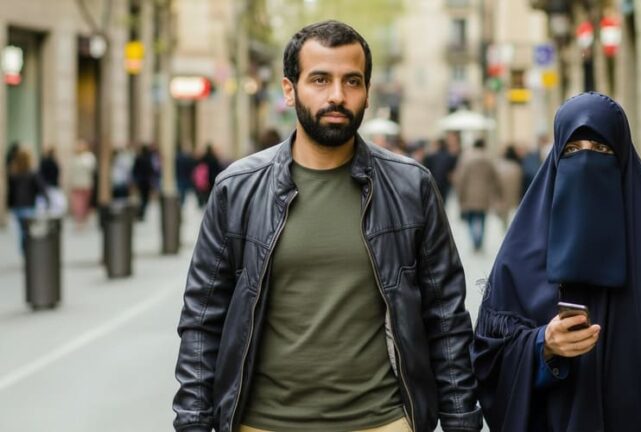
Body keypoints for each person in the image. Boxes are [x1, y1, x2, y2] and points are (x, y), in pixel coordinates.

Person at [173, 20, 481, 432]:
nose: (337, 95)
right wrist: (193, 423)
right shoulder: (238, 189)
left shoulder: (411, 187)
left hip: (383, 422)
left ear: (367, 93)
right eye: (320, 79)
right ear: (289, 89)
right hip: (264, 424)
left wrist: (461, 420)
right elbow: (202, 319)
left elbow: (445, 318)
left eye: (351, 81)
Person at [470, 92, 641, 431]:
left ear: (623, 157)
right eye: (572, 149)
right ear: (555, 157)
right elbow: (488, 362)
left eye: (600, 149)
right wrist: (543, 346)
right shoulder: (521, 258)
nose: (586, 160)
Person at [453, 138, 501, 251]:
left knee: (470, 219)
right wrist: (497, 193)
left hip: (469, 194)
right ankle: (479, 241)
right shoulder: (489, 158)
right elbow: (495, 177)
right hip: (485, 194)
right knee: (482, 219)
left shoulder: (465, 158)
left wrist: (460, 196)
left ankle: (475, 240)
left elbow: (461, 178)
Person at [8, 148, 47, 251]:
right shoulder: (33, 173)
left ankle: (25, 250)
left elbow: (11, 192)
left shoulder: (14, 173)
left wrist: (10, 205)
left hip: (18, 206)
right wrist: (47, 202)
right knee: (28, 230)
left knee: (22, 231)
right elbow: (41, 189)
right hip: (29, 206)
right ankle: (28, 250)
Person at [492, 144, 522, 227]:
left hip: (503, 194)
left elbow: (495, 183)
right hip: (514, 195)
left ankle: (505, 227)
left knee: (505, 214)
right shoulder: (517, 167)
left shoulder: (499, 166)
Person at [69, 140, 97, 226]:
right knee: (78, 204)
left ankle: (84, 218)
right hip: (76, 185)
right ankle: (78, 219)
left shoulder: (89, 157)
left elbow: (92, 169)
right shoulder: (74, 158)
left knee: (85, 203)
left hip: (86, 184)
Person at [132, 144, 156, 220]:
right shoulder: (148, 159)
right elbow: (151, 171)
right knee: (145, 198)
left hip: (140, 181)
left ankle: (141, 212)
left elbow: (134, 170)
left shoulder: (138, 158)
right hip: (146, 181)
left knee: (141, 197)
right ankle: (142, 211)